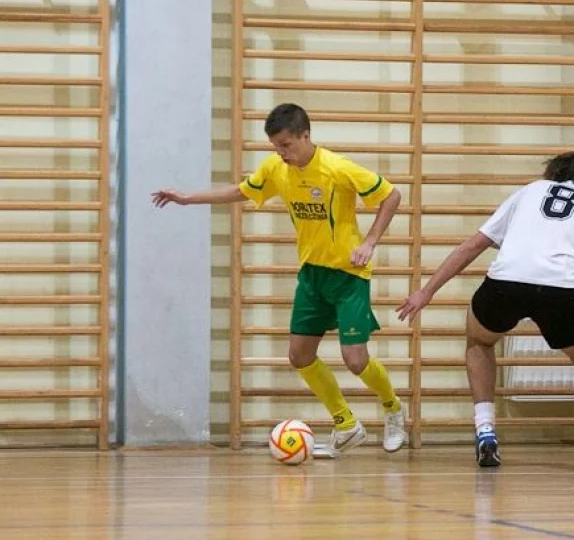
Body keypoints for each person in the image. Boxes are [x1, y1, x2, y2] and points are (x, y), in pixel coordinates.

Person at [151, 103, 406, 455]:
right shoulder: (276, 168)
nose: (281, 153)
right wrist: (187, 198)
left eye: (286, 145)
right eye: (276, 147)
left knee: (355, 360)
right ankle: (346, 425)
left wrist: (370, 242)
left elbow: (391, 195)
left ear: (306, 135)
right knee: (299, 356)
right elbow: (241, 191)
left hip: (349, 275)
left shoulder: (336, 168)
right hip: (312, 275)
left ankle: (393, 408)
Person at [396, 150, 574, 471]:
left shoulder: (529, 191)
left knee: (480, 341)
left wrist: (427, 291)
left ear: (554, 173)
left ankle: (485, 429)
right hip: (561, 290)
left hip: (505, 283)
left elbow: (472, 246)